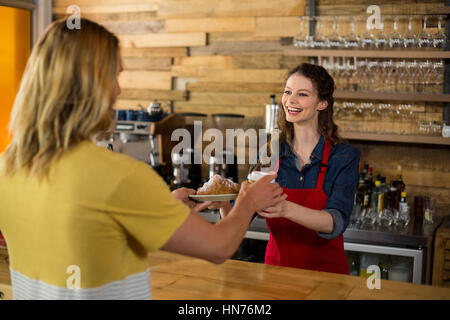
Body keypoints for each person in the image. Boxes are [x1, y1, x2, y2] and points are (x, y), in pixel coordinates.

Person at [0, 18, 286, 300]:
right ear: (90, 85)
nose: (118, 90)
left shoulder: (9, 164)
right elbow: (219, 247)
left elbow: (86, 234)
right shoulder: (118, 175)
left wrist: (157, 209)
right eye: (113, 76)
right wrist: (247, 202)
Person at [218, 63, 360, 275]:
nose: (291, 100)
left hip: (327, 278)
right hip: (277, 276)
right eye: (287, 92)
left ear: (322, 103)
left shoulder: (343, 156)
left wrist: (285, 209)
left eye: (302, 94)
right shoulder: (270, 153)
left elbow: (335, 222)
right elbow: (240, 219)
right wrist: (223, 202)